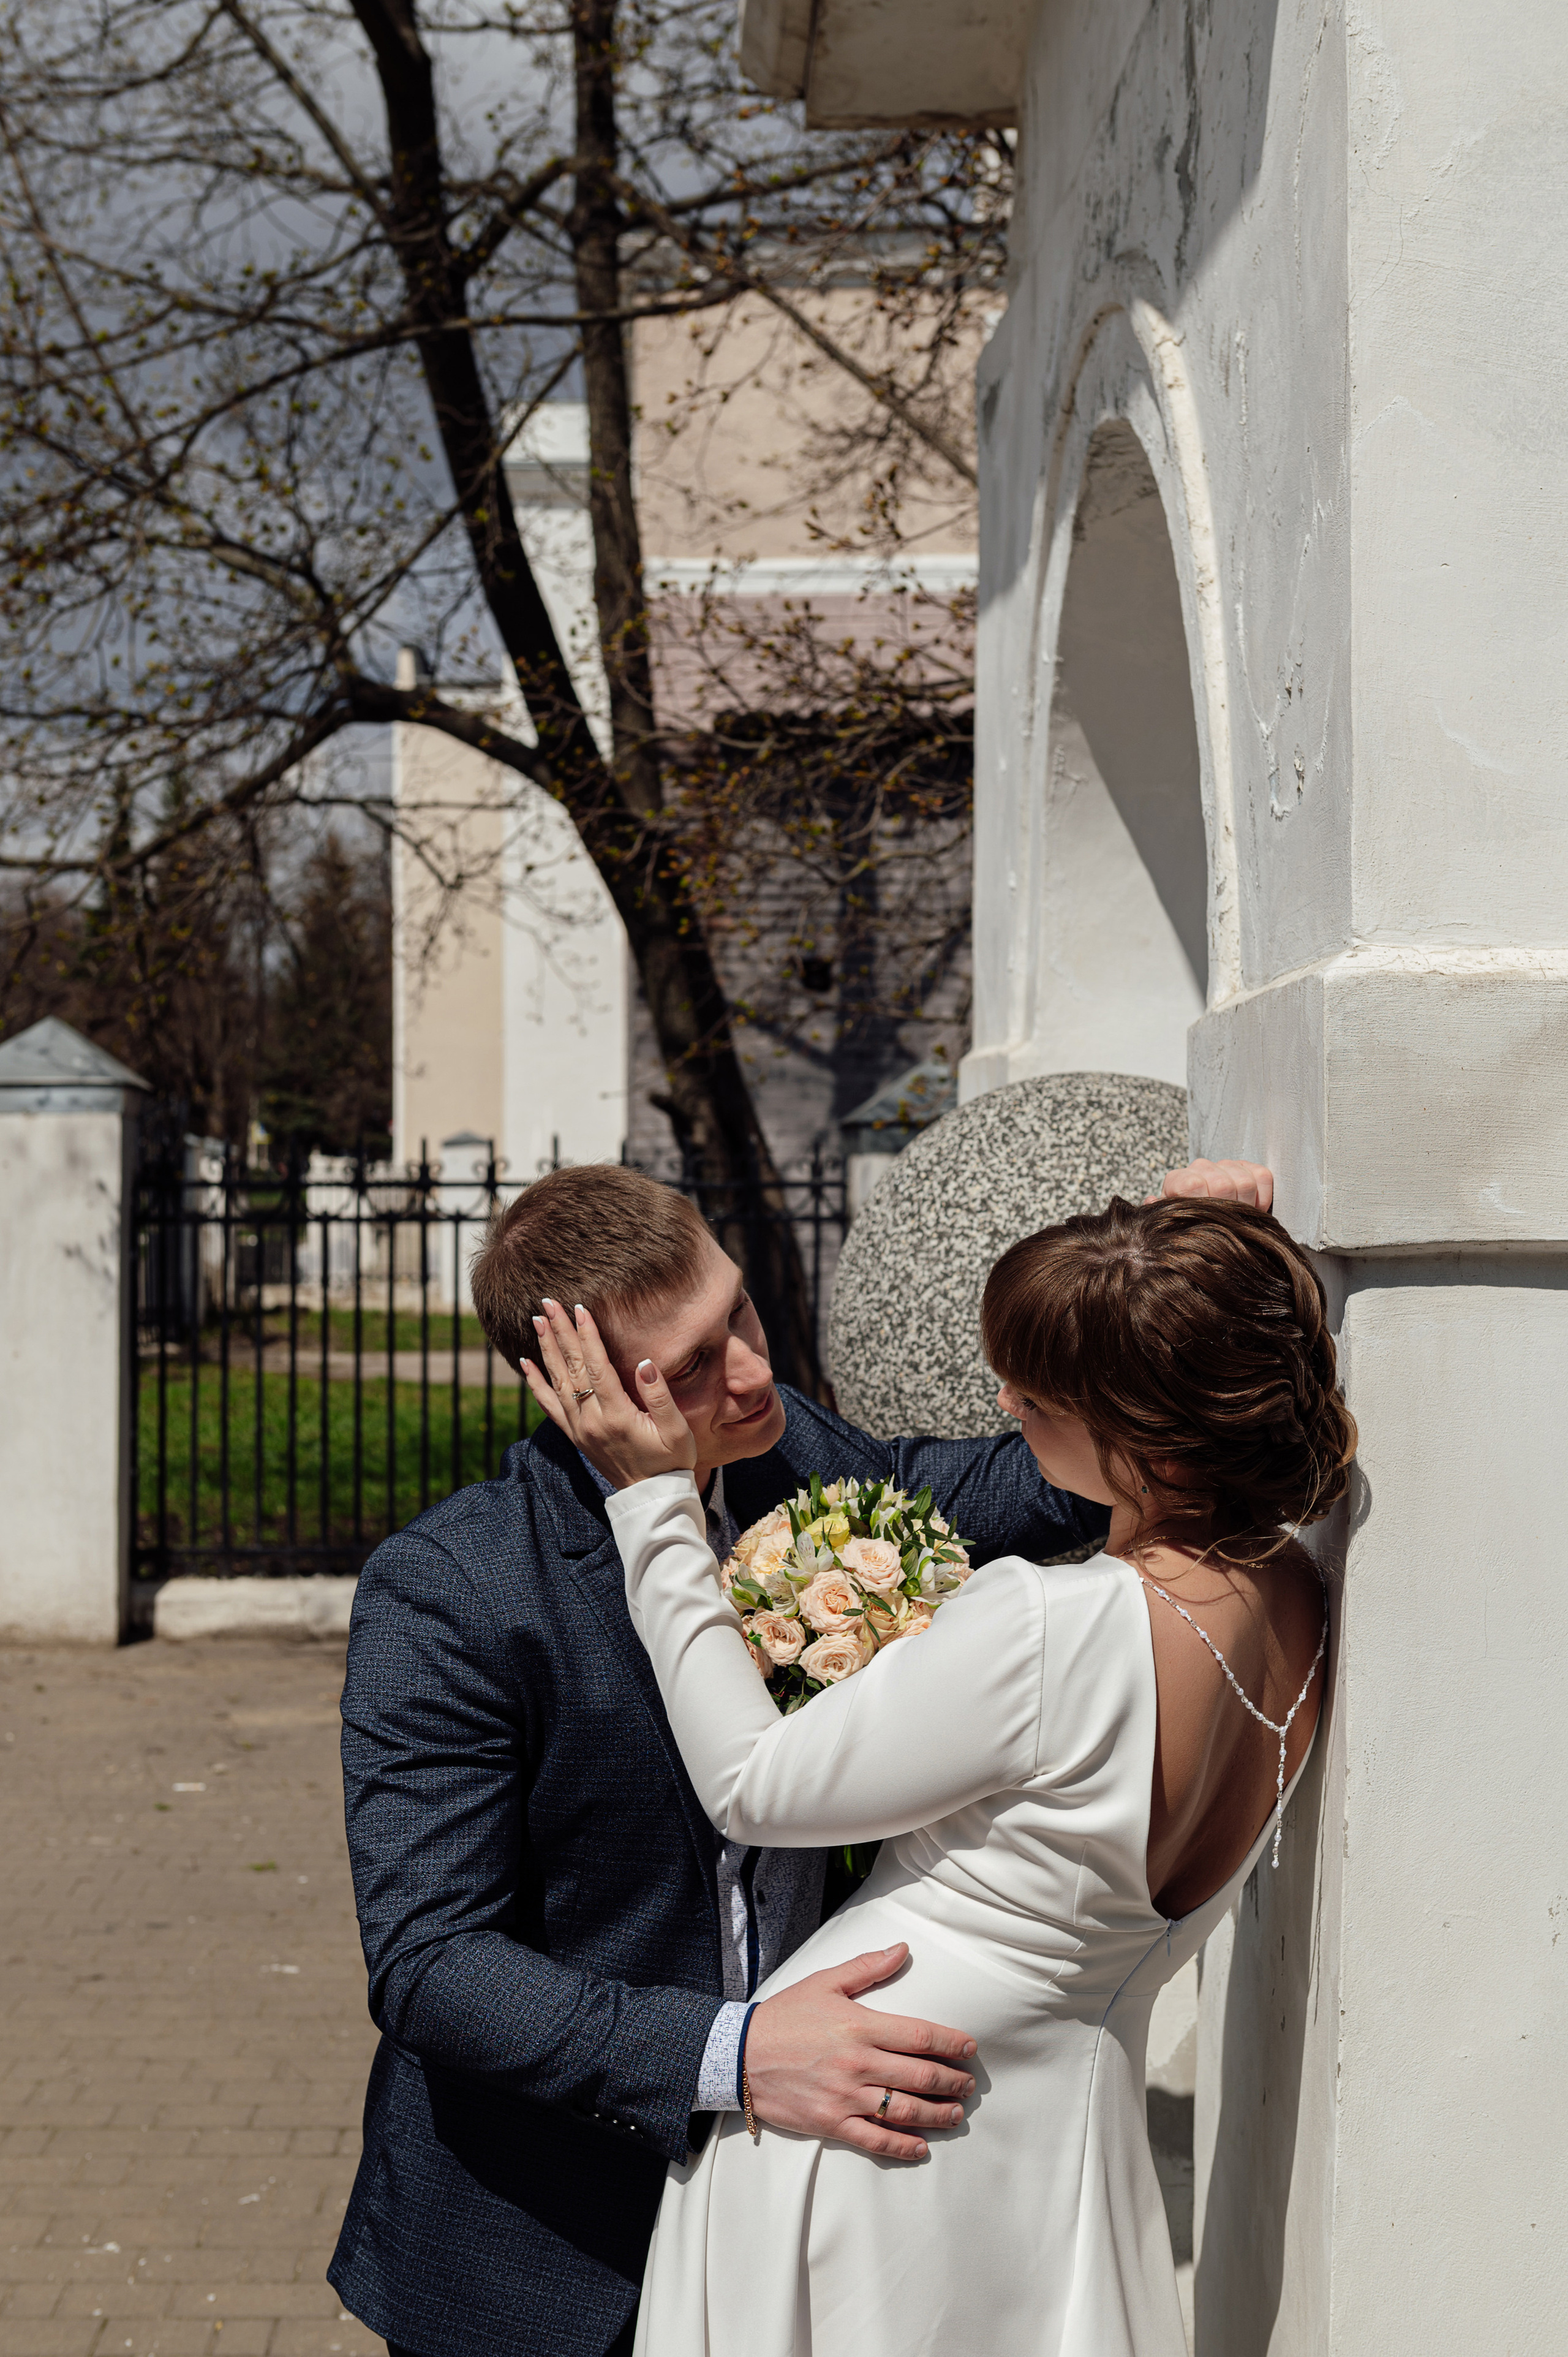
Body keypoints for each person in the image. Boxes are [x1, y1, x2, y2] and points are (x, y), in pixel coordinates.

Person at [328, 1154, 1272, 2357]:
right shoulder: (451, 1592)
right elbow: (432, 1964)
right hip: (547, 2251)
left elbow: (1046, 1483)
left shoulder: (791, 1456)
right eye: (688, 1367)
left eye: (741, 1313)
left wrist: (1172, 1291)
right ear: (574, 1391)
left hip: (805, 2219)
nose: (750, 1371)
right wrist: (731, 2055)